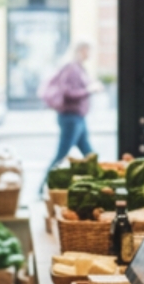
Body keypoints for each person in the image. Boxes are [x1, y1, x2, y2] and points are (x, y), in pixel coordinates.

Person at [42, 41, 102, 183]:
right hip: (71, 117)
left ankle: (100, 184)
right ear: (81, 50)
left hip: (78, 117)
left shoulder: (79, 67)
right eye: (88, 50)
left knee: (89, 155)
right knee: (61, 155)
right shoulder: (72, 68)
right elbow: (68, 93)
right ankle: (44, 186)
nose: (90, 54)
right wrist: (89, 90)